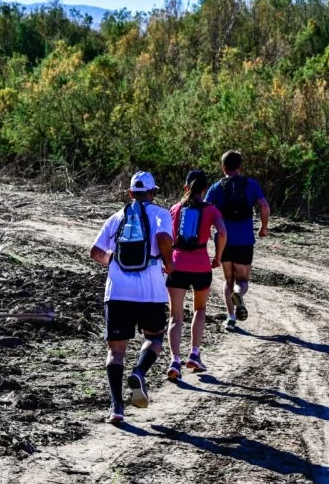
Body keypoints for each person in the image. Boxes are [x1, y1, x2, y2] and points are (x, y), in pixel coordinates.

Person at [90, 171, 174, 424]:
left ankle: (117, 408)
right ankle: (139, 370)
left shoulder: (116, 218)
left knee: (116, 352)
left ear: (129, 193)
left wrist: (115, 264)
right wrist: (168, 264)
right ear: (153, 193)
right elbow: (162, 238)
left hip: (117, 292)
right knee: (155, 337)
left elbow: (95, 251)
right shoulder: (160, 214)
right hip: (151, 291)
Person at [165, 170, 227, 380]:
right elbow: (222, 232)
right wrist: (218, 256)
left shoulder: (174, 209)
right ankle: (194, 353)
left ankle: (174, 360)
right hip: (201, 266)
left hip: (177, 265)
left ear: (186, 188)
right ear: (204, 190)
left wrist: (166, 261)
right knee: (200, 309)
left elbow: (165, 236)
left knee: (175, 316)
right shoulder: (211, 210)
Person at [204, 150, 270, 331]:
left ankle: (231, 318)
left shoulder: (216, 187)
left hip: (223, 240)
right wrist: (263, 227)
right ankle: (238, 294)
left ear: (223, 167)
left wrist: (208, 230)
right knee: (242, 281)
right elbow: (264, 206)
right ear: (240, 167)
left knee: (228, 279)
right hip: (245, 240)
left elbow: (206, 211)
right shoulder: (251, 184)